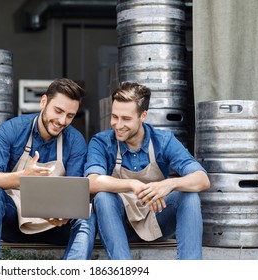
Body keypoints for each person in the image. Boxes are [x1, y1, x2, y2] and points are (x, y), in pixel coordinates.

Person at [84, 82, 210, 260]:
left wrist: (169, 184)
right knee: (103, 197)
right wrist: (132, 184)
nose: (118, 125)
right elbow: (91, 182)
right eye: (114, 117)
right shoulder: (102, 142)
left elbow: (202, 179)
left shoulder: (163, 140)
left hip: (157, 223)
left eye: (126, 119)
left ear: (143, 116)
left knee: (188, 196)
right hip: (120, 225)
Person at [0, 78, 96, 260]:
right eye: (58, 111)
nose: (62, 121)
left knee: (89, 213)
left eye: (70, 116)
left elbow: (76, 193)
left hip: (55, 227)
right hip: (15, 223)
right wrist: (23, 177)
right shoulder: (12, 129)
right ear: (43, 102)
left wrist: (64, 212)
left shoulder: (76, 141)